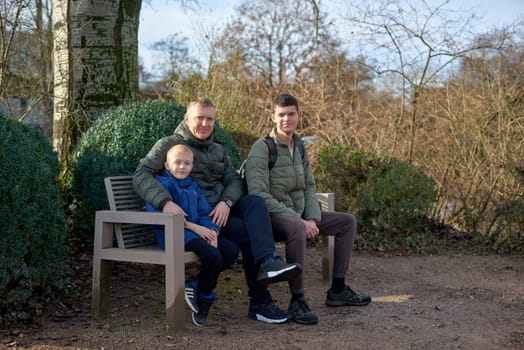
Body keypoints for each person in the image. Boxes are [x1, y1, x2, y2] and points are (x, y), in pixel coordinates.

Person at [133, 98, 301, 324]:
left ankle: (268, 262)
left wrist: (227, 202)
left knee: (255, 203)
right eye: (199, 118)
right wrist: (164, 202)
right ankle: (260, 301)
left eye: (209, 119)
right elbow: (141, 174)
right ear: (187, 119)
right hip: (198, 217)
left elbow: (234, 180)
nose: (204, 123)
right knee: (248, 232)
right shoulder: (170, 145)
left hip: (220, 212)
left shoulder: (218, 149)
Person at [244, 93, 371, 325]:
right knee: (297, 228)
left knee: (347, 222)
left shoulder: (300, 147)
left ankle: (338, 290)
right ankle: (297, 299)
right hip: (273, 219)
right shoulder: (262, 148)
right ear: (273, 117)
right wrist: (300, 220)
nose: (286, 119)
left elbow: (309, 186)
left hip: (302, 216)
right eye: (281, 115)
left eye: (291, 114)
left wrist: (312, 217)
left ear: (299, 116)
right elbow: (258, 195)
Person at [145, 144, 239, 326]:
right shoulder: (161, 185)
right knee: (213, 255)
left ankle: (195, 283)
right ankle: (205, 298)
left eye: (186, 163)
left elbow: (204, 212)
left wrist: (213, 231)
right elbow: (163, 216)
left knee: (231, 251)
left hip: (196, 233)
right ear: (166, 165)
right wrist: (196, 229)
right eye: (177, 163)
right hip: (173, 235)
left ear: (192, 166)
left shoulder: (193, 186)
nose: (182, 167)